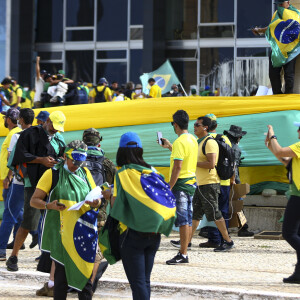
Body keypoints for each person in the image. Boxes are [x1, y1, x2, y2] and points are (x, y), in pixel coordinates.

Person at [102, 132, 176, 300]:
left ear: (121, 152)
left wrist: (109, 195)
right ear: (140, 150)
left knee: (138, 283)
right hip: (154, 234)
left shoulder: (122, 175)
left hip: (132, 235)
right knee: (145, 281)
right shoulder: (152, 171)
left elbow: (116, 207)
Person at [30, 140, 101, 299]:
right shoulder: (52, 174)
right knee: (61, 279)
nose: (76, 165)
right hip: (61, 234)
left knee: (85, 279)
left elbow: (96, 197)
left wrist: (96, 202)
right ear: (64, 156)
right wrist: (50, 205)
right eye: (73, 162)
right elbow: (34, 201)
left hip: (82, 231)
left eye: (79, 162)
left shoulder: (85, 173)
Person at [6, 111, 66, 272]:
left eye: (58, 128)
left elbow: (62, 155)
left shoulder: (59, 138)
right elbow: (19, 155)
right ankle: (14, 256)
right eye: (53, 126)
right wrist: (41, 160)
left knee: (53, 221)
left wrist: (60, 160)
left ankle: (49, 256)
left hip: (53, 183)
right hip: (34, 183)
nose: (55, 130)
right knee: (29, 220)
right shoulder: (29, 134)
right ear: (47, 121)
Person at [159, 110, 198, 264]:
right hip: (192, 182)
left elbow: (178, 167)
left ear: (175, 124)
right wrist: (169, 146)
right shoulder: (192, 139)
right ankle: (184, 250)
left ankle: (183, 253)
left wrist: (170, 185)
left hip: (181, 184)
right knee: (188, 218)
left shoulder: (179, 142)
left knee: (183, 220)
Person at [191, 116, 234, 252]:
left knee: (215, 213)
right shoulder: (199, 142)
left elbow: (211, 163)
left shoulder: (210, 142)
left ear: (205, 127)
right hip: (201, 183)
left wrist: (193, 163)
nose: (194, 127)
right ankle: (186, 241)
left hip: (210, 184)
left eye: (197, 125)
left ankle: (228, 241)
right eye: (194, 124)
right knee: (196, 213)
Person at [265, 123, 300, 283]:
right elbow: (286, 161)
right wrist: (270, 144)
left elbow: (280, 151)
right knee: (297, 234)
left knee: (289, 233)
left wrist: (273, 135)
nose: (298, 131)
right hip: (296, 193)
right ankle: (299, 274)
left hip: (298, 196)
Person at [0, 109, 36, 261]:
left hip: (19, 181)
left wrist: (8, 177)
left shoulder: (16, 135)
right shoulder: (39, 134)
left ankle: (1, 250)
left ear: (20, 119)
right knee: (31, 213)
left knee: (9, 214)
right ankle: (40, 244)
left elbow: (11, 159)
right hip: (34, 182)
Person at [252, 1, 297, 94]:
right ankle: (277, 95)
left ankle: (288, 98)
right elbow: (272, 27)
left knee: (289, 76)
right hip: (277, 49)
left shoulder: (295, 13)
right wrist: (260, 30)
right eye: (278, 4)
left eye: (281, 4)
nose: (279, 6)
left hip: (290, 50)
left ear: (288, 2)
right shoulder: (276, 14)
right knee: (273, 74)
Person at [223, 125, 254, 237]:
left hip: (221, 179)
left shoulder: (224, 144)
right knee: (238, 204)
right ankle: (243, 228)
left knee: (222, 204)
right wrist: (234, 180)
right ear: (238, 137)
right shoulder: (236, 148)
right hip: (232, 180)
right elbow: (234, 166)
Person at [0, 108, 21, 209]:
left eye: (5, 118)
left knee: (11, 210)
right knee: (15, 210)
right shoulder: (16, 132)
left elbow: (13, 157)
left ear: (8, 120)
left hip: (11, 178)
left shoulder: (13, 134)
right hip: (14, 177)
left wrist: (8, 177)